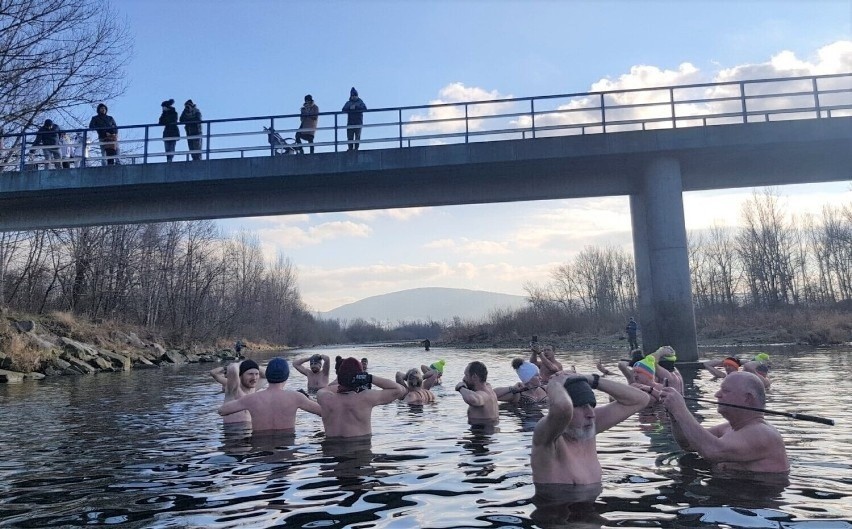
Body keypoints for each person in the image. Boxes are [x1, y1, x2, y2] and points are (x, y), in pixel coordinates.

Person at [531, 371, 650, 484]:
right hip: (556, 502)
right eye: (582, 406)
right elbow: (563, 408)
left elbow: (641, 399)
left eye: (591, 405)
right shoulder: (547, 439)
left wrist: (591, 379)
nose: (591, 414)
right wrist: (555, 383)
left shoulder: (587, 427)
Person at [660, 371, 789, 473]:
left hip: (753, 501)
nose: (717, 395)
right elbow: (687, 443)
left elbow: (712, 451)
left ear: (748, 398)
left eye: (725, 391)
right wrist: (674, 413)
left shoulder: (762, 433)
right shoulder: (730, 428)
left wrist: (681, 409)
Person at [218, 357, 321, 432]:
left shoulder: (250, 399)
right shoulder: (296, 397)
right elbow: (324, 411)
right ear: (286, 376)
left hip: (259, 453)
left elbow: (222, 411)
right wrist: (309, 398)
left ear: (267, 374)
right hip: (285, 452)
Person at [316, 357, 406, 438]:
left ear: (339, 378)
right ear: (361, 377)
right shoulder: (366, 397)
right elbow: (399, 390)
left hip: (331, 450)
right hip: (360, 451)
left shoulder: (324, 398)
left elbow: (323, 390)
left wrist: (344, 382)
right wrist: (370, 378)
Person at [209, 359, 263, 425]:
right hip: (233, 429)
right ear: (240, 376)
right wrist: (240, 364)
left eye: (256, 374)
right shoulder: (233, 387)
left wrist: (251, 364)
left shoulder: (253, 388)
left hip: (249, 428)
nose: (254, 378)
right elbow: (233, 368)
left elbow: (267, 374)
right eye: (250, 374)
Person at [455, 361, 499, 426]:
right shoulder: (489, 389)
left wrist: (461, 387)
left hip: (480, 433)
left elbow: (472, 399)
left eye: (466, 375)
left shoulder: (483, 395)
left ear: (474, 377)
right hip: (488, 429)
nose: (463, 379)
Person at [342, 87, 366, 151]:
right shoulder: (348, 103)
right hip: (350, 122)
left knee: (357, 136)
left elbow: (365, 108)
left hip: (358, 122)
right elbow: (343, 110)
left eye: (355, 95)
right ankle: (350, 148)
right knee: (350, 136)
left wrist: (356, 107)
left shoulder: (360, 102)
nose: (354, 97)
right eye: (353, 95)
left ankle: (356, 148)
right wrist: (349, 108)